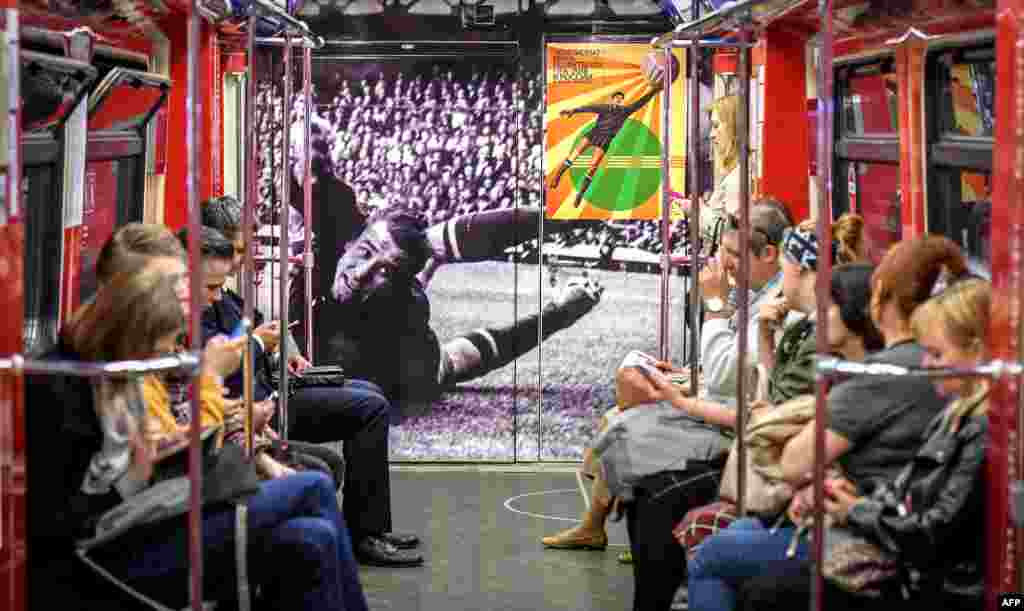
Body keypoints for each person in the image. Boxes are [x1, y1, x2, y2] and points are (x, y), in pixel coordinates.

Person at [25, 271, 370, 611]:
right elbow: (159, 458)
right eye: (165, 347)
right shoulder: (100, 384)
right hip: (125, 537)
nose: (172, 357)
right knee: (313, 485)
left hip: (160, 510)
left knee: (312, 538)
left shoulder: (136, 370)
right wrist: (211, 379)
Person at [686, 235, 959, 611]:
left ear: (878, 303)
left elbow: (794, 461)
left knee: (711, 555)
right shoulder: (917, 369)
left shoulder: (880, 372)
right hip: (883, 527)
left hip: (866, 541)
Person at [739, 276, 990, 611]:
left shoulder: (977, 429)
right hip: (910, 569)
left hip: (935, 588)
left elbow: (934, 532)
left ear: (976, 351)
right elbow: (913, 496)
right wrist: (850, 495)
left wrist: (854, 509)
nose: (927, 365)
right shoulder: (955, 415)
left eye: (936, 353)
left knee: (748, 581)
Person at [190, 219, 424, 567]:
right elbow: (227, 368)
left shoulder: (223, 296)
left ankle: (370, 528)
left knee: (371, 394)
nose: (247, 257)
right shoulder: (199, 310)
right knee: (370, 407)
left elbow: (262, 328)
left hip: (267, 393)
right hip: (260, 402)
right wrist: (258, 346)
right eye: (241, 248)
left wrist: (286, 350)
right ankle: (365, 534)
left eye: (247, 247)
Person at [315, 201, 604, 421]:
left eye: (385, 272)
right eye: (364, 252)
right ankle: (574, 216)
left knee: (448, 363)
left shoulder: (400, 330)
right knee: (424, 245)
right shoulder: (320, 260)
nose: (359, 274)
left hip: (391, 344)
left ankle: (561, 310)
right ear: (348, 244)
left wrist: (555, 316)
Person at [548, 82, 664, 207]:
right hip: (593, 134)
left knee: (593, 167)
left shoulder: (625, 111)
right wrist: (573, 111)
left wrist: (653, 91)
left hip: (605, 140)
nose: (618, 100)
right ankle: (557, 177)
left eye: (621, 99)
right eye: (616, 98)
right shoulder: (604, 107)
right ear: (612, 99)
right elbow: (589, 108)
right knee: (573, 156)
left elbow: (640, 102)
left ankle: (580, 195)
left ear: (622, 101)